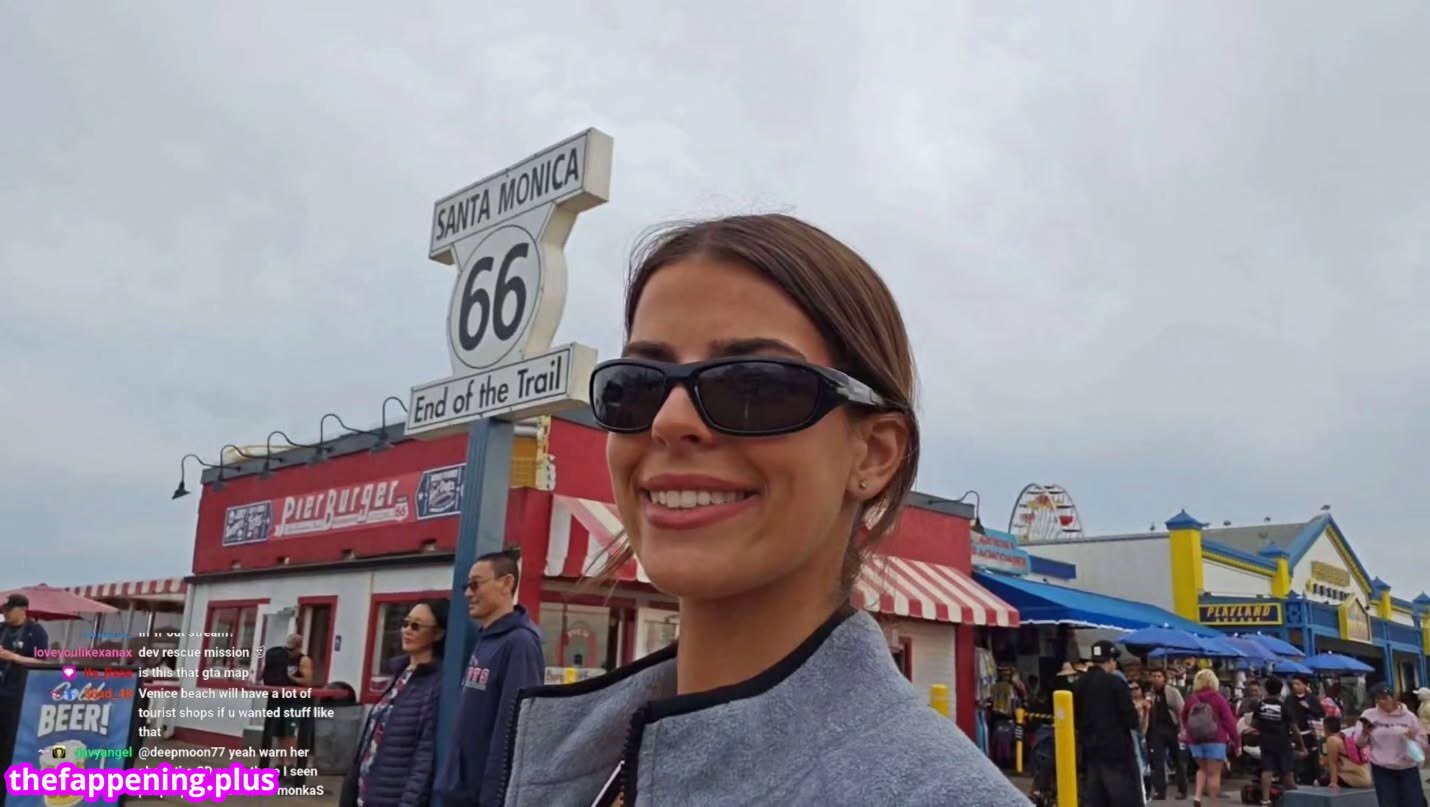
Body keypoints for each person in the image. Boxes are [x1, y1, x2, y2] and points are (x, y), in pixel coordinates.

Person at [488, 214, 1028, 805]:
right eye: (636, 386)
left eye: (754, 385)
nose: (669, 420)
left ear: (874, 454)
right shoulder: (581, 760)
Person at [434, 548, 545, 806]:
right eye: (467, 586)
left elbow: (514, 725)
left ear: (506, 583)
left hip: (482, 797)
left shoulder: (521, 643)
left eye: (475, 584)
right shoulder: (486, 639)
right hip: (459, 791)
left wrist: (493, 797)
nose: (468, 593)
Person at [341, 600, 447, 807]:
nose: (407, 630)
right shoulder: (400, 673)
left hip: (392, 797)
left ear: (438, 634)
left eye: (416, 626)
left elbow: (424, 759)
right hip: (365, 793)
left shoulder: (435, 685)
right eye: (405, 623)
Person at [1074, 641, 1141, 806]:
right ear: (1110, 661)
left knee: (1094, 798)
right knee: (1123, 798)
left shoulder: (1078, 684)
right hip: (1117, 752)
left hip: (1089, 751)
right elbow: (1131, 719)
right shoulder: (1115, 683)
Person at [1355, 683, 1430, 805]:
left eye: (1385, 698)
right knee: (1388, 802)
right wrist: (1364, 732)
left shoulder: (1409, 717)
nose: (1381, 702)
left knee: (1413, 802)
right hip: (1382, 769)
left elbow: (1424, 743)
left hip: (1407, 768)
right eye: (1378, 699)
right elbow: (1359, 743)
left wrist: (1413, 739)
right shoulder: (1368, 715)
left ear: (1393, 697)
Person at [0, 594, 49, 773]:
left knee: (9, 741)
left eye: (9, 610)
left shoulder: (35, 631)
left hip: (19, 695)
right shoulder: (1, 628)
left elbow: (42, 662)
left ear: (22, 610)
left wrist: (14, 657)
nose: (5, 614)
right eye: (3, 610)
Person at [259, 632, 313, 783]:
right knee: (280, 734)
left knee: (290, 734)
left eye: (292, 649)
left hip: (295, 701)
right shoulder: (280, 657)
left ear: (299, 648)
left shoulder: (303, 660)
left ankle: (289, 765)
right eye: (287, 649)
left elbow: (308, 681)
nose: (289, 652)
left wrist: (290, 678)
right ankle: (280, 764)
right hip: (279, 699)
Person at [1181, 668, 1240, 804]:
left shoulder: (1191, 698)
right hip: (1216, 740)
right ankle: (1213, 803)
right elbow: (1229, 721)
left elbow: (1184, 717)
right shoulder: (1218, 698)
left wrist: (1189, 733)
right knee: (1214, 774)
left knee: (1202, 769)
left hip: (1195, 740)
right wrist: (1237, 742)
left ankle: (1197, 796)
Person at [1252, 677, 1304, 805]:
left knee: (1267, 770)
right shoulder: (1284, 707)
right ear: (1280, 690)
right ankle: (1294, 800)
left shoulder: (1260, 705)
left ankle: (1265, 800)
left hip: (1265, 742)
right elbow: (1294, 728)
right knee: (1287, 772)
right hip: (1283, 743)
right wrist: (1302, 746)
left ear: (1266, 689)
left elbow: (1254, 723)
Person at [1146, 667, 1189, 800]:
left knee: (1178, 760)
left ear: (1164, 678)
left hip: (1172, 729)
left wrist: (1182, 730)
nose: (1156, 678)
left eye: (1159, 676)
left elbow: (1182, 710)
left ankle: (1182, 789)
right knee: (1158, 760)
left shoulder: (1172, 692)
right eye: (1154, 676)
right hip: (1156, 730)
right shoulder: (1149, 693)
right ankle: (1160, 791)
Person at [1286, 675, 1325, 785]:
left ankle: (1315, 780)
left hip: (1311, 733)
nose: (1295, 686)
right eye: (1294, 684)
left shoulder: (1312, 698)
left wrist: (1308, 707)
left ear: (1305, 685)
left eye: (1298, 684)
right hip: (1294, 734)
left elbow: (1321, 713)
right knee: (1296, 759)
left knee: (1313, 758)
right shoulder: (1289, 699)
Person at [1320, 715, 1372, 790]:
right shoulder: (1344, 736)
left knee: (1318, 782)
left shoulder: (1332, 740)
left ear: (1325, 728)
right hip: (1364, 777)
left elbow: (1333, 763)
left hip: (1355, 777)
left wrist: (1333, 783)